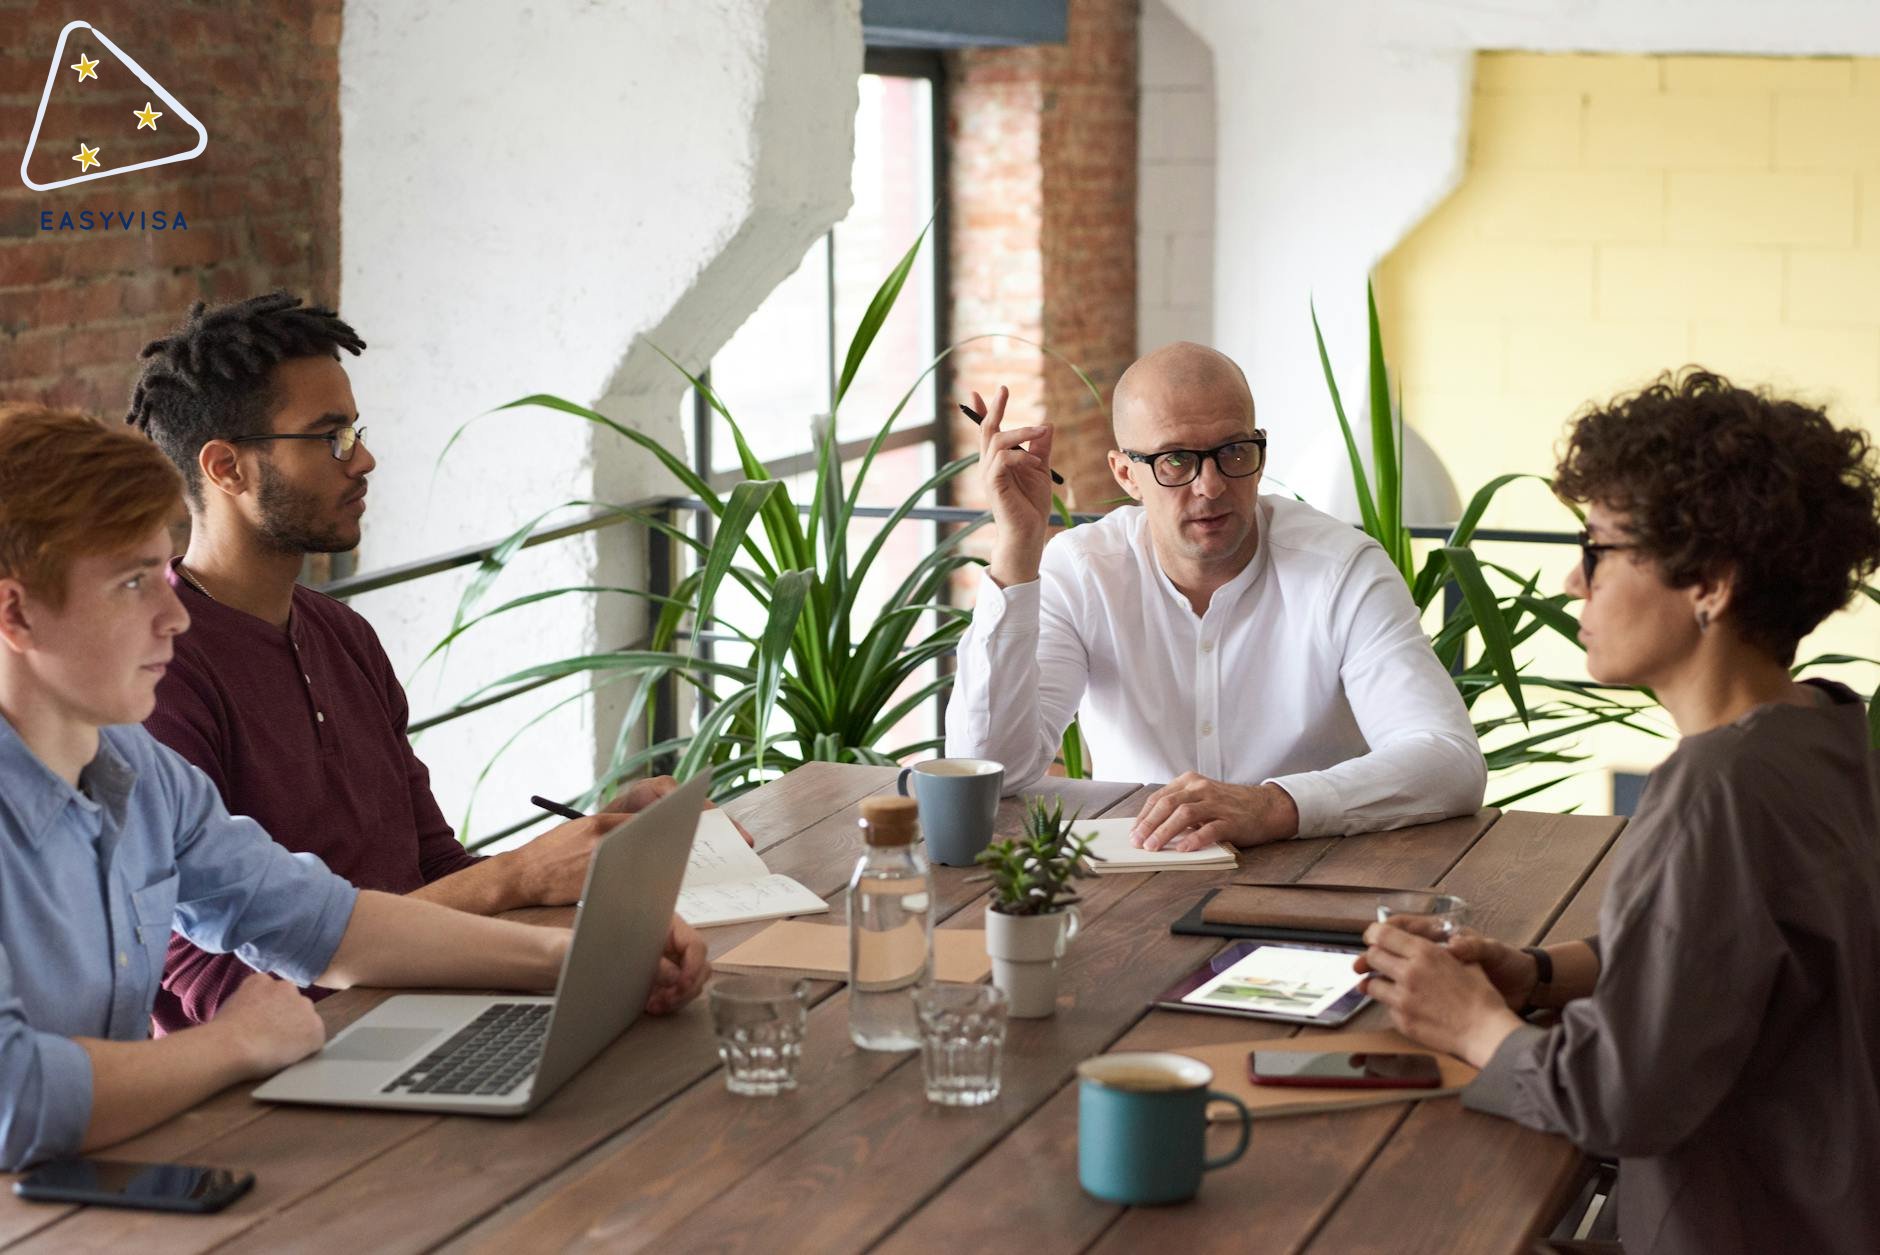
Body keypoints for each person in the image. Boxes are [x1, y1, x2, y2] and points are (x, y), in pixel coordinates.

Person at [0, 403, 710, 1170]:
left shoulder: (141, 773)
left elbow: (325, 924)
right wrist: (235, 1045)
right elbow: (16, 1102)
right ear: (17, 612)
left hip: (95, 1194)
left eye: (163, 569)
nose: (174, 614)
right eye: (133, 583)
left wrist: (578, 959)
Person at [1356, 370, 1880, 1255]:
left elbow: (1620, 1096)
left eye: (1598, 547)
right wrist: (1541, 972)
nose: (1571, 580)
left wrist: (1472, 1022)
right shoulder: (1823, 732)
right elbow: (1730, 950)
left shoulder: (1718, 789)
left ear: (1710, 582)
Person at [123, 293, 723, 1032]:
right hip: (282, 1083)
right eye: (330, 437)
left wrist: (587, 855)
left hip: (430, 1015)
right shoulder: (158, 675)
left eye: (356, 430)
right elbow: (218, 990)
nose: (364, 458)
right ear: (227, 468)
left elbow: (435, 868)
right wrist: (521, 880)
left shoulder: (343, 634)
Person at [944, 341, 1485, 849]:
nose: (1211, 486)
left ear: (1261, 453)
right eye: (1175, 459)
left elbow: (1449, 761)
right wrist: (1016, 548)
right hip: (1137, 877)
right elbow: (988, 771)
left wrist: (1272, 806)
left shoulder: (1341, 569)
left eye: (1232, 452)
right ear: (1126, 473)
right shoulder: (1084, 571)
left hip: (1314, 874)